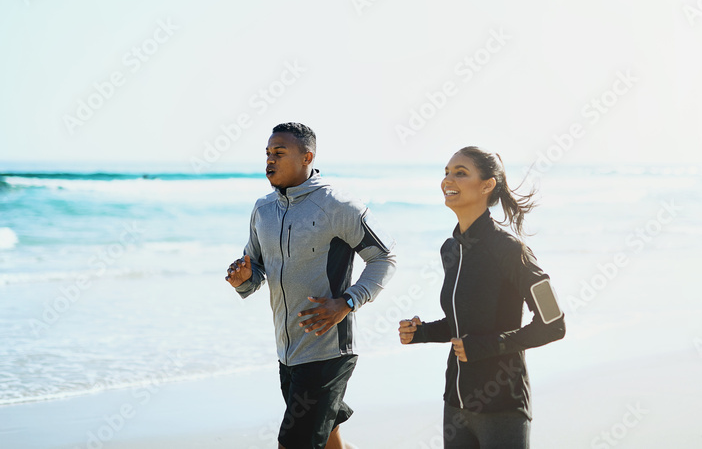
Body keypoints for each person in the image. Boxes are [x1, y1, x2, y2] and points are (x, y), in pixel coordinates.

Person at [226, 122, 396, 449]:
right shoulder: (263, 210)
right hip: (288, 353)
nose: (269, 161)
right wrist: (243, 280)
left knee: (295, 443)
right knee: (331, 442)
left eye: (279, 153)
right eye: (267, 154)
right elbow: (255, 270)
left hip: (328, 351)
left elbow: (385, 257)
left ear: (307, 157)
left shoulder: (337, 205)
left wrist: (348, 302)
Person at [398, 146, 565, 449]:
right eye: (446, 173)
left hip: (502, 407)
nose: (448, 180)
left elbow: (554, 324)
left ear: (487, 185)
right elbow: (465, 322)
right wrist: (422, 333)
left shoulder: (512, 251)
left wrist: (492, 345)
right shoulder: (451, 249)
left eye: (460, 173)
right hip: (456, 405)